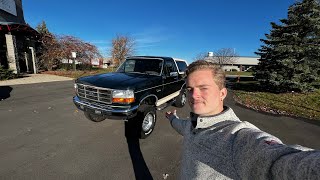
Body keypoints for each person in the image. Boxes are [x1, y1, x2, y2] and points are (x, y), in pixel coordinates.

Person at [165, 60, 320, 180]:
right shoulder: (194, 123)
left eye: (203, 88)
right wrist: (172, 118)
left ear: (222, 93)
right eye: (190, 89)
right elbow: (182, 126)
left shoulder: (236, 137)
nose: (193, 96)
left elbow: (279, 162)